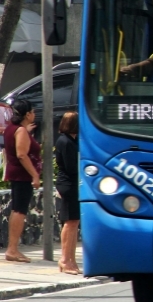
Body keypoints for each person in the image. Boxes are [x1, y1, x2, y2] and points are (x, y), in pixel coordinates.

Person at [3, 99, 40, 263]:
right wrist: (35, 175)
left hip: (16, 174)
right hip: (22, 175)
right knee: (20, 210)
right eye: (32, 111)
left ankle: (13, 248)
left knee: (16, 209)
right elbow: (22, 154)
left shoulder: (13, 129)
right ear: (27, 114)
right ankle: (12, 249)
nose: (34, 114)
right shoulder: (20, 131)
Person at [54, 111, 80, 275]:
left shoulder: (72, 141)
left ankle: (71, 258)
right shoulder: (66, 142)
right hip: (68, 183)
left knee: (74, 222)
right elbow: (71, 166)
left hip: (73, 183)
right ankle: (65, 259)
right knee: (69, 222)